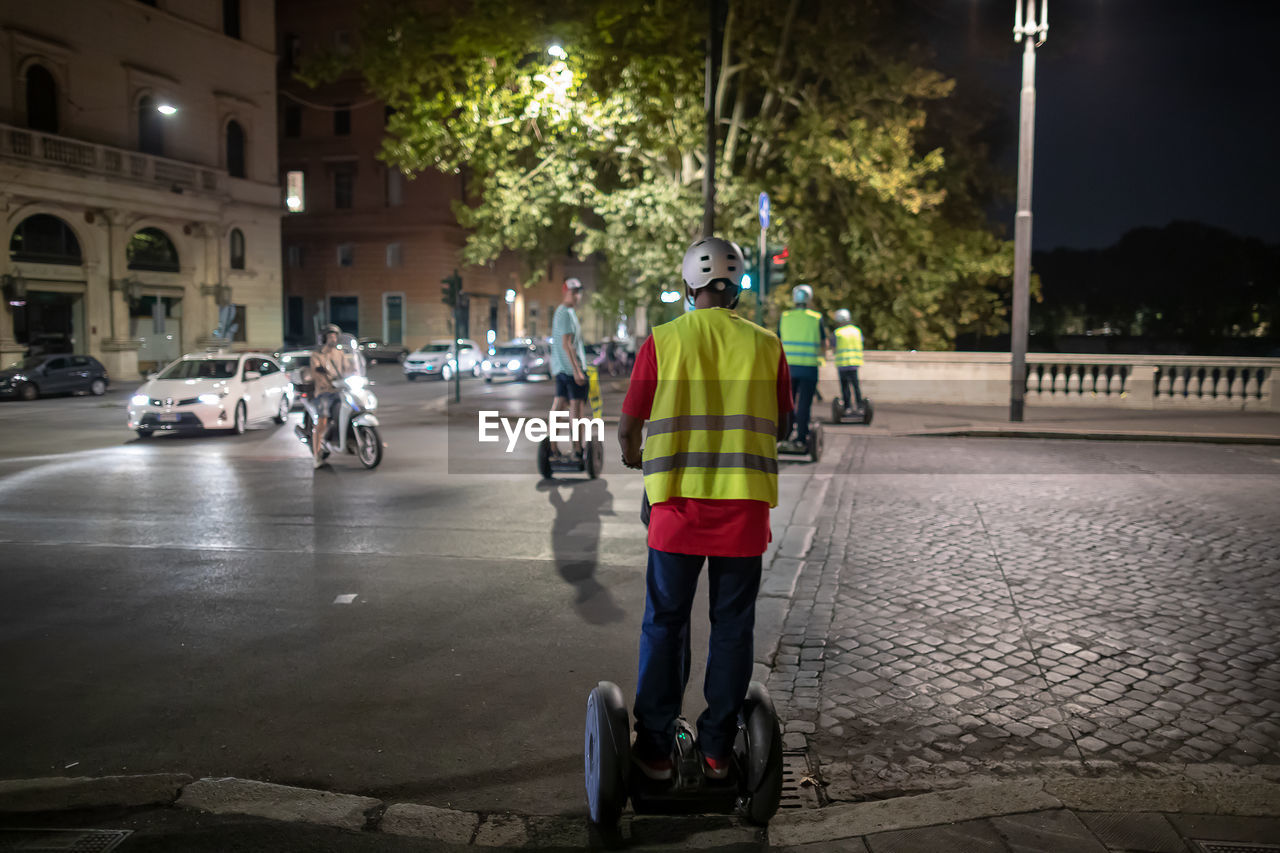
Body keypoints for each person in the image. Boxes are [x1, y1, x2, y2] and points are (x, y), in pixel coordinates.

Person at [618, 236, 793, 783]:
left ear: (689, 286)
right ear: (737, 286)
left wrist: (635, 458)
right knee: (733, 627)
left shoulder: (664, 341)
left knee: (665, 623)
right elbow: (783, 425)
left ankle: (654, 748)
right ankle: (718, 749)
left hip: (676, 510)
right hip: (742, 516)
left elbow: (628, 427)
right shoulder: (766, 345)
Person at [778, 284, 829, 451]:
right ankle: (801, 438)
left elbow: (777, 341)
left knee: (788, 403)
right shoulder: (816, 318)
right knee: (804, 405)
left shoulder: (785, 317)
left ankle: (784, 436)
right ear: (809, 298)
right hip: (809, 368)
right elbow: (823, 344)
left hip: (788, 369)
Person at [550, 277, 588, 460]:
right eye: (573, 292)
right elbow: (567, 344)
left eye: (578, 292)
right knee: (576, 408)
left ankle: (554, 448)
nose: (577, 296)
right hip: (569, 370)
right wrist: (577, 370)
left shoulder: (566, 312)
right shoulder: (564, 312)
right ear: (565, 292)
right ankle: (577, 449)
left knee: (559, 404)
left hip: (563, 369)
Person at [309, 323, 356, 469]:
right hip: (325, 392)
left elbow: (348, 369)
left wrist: (355, 369)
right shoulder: (317, 355)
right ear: (324, 338)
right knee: (322, 421)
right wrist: (326, 381)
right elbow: (317, 372)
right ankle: (316, 455)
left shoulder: (340, 354)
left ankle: (355, 439)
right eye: (330, 336)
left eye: (335, 336)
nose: (333, 339)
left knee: (356, 408)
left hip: (340, 391)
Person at [832, 308, 865, 412]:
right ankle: (860, 406)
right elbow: (861, 343)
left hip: (842, 364)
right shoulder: (857, 331)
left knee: (845, 387)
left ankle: (848, 407)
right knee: (856, 386)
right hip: (854, 363)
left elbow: (833, 348)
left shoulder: (838, 332)